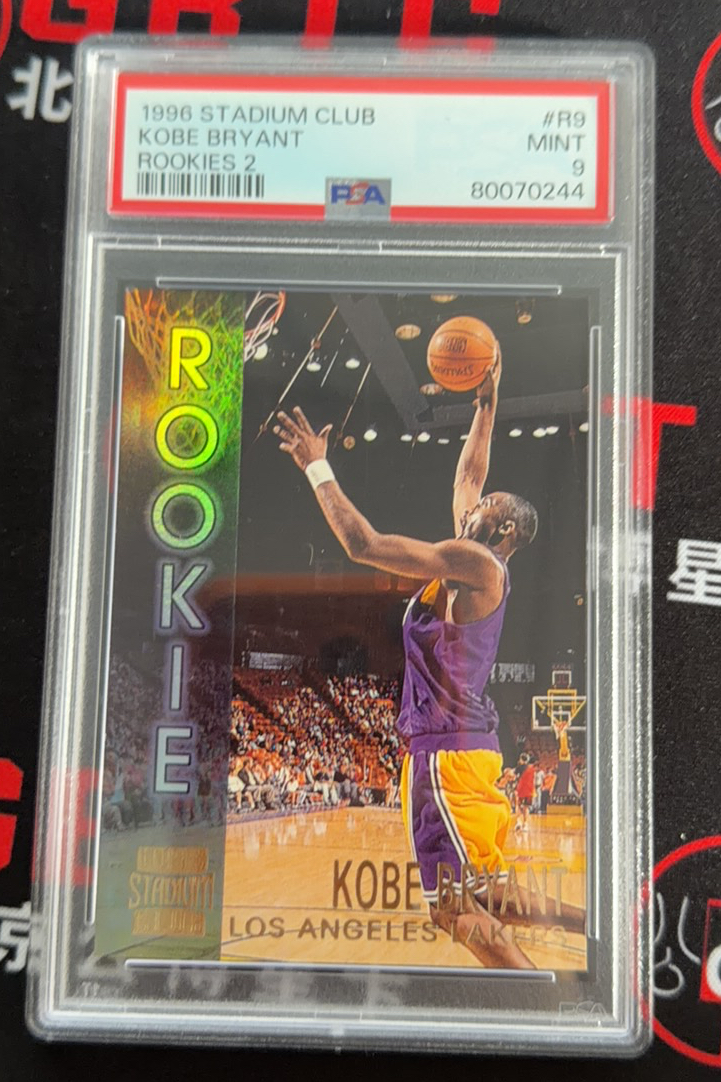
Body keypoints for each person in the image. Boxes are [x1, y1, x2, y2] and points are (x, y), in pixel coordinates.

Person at [275, 353, 583, 968]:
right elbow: (467, 474)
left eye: (485, 507)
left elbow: (363, 544)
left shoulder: (477, 563)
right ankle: (603, 933)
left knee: (453, 909)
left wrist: (316, 467)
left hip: (445, 752)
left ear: (502, 533)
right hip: (464, 748)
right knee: (487, 894)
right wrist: (487, 403)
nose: (472, 506)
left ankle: (540, 1007)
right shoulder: (473, 563)